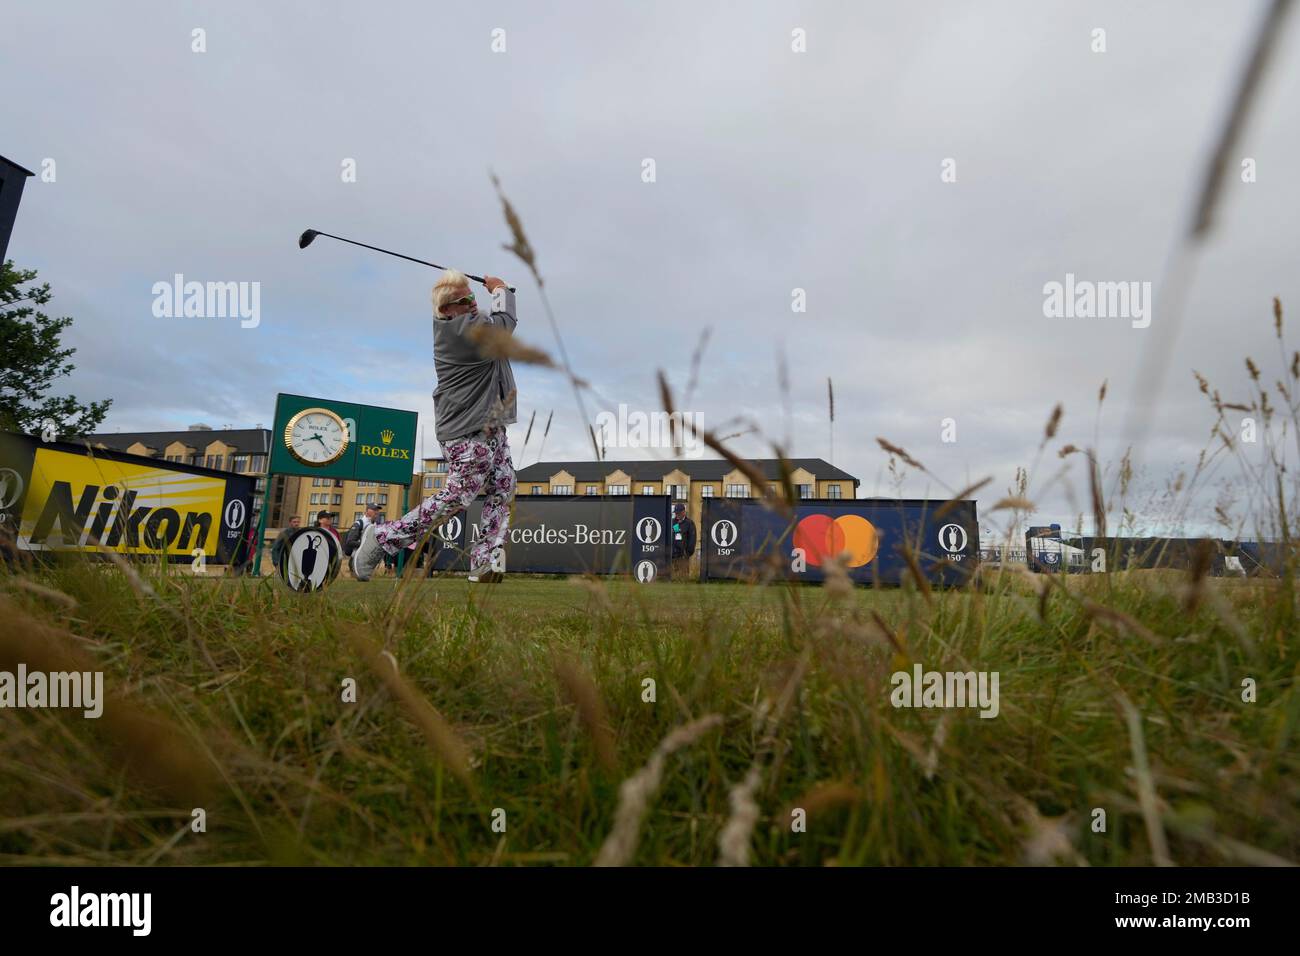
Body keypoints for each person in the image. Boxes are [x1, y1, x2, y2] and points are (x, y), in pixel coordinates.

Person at [352, 270, 517, 583]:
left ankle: (484, 560)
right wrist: (502, 292)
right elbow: (503, 327)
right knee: (458, 497)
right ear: (446, 310)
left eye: (472, 297)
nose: (471, 303)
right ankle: (383, 538)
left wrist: (501, 295)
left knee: (503, 487)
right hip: (466, 433)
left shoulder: (472, 322)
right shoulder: (459, 333)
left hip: (492, 428)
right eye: (462, 300)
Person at [670, 502, 696, 580]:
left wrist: (688, 552)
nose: (677, 515)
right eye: (676, 513)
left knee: (683, 576)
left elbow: (692, 539)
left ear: (684, 512)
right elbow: (674, 535)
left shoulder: (689, 523)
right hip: (673, 554)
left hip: (684, 554)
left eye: (679, 513)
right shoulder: (673, 522)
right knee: (674, 576)